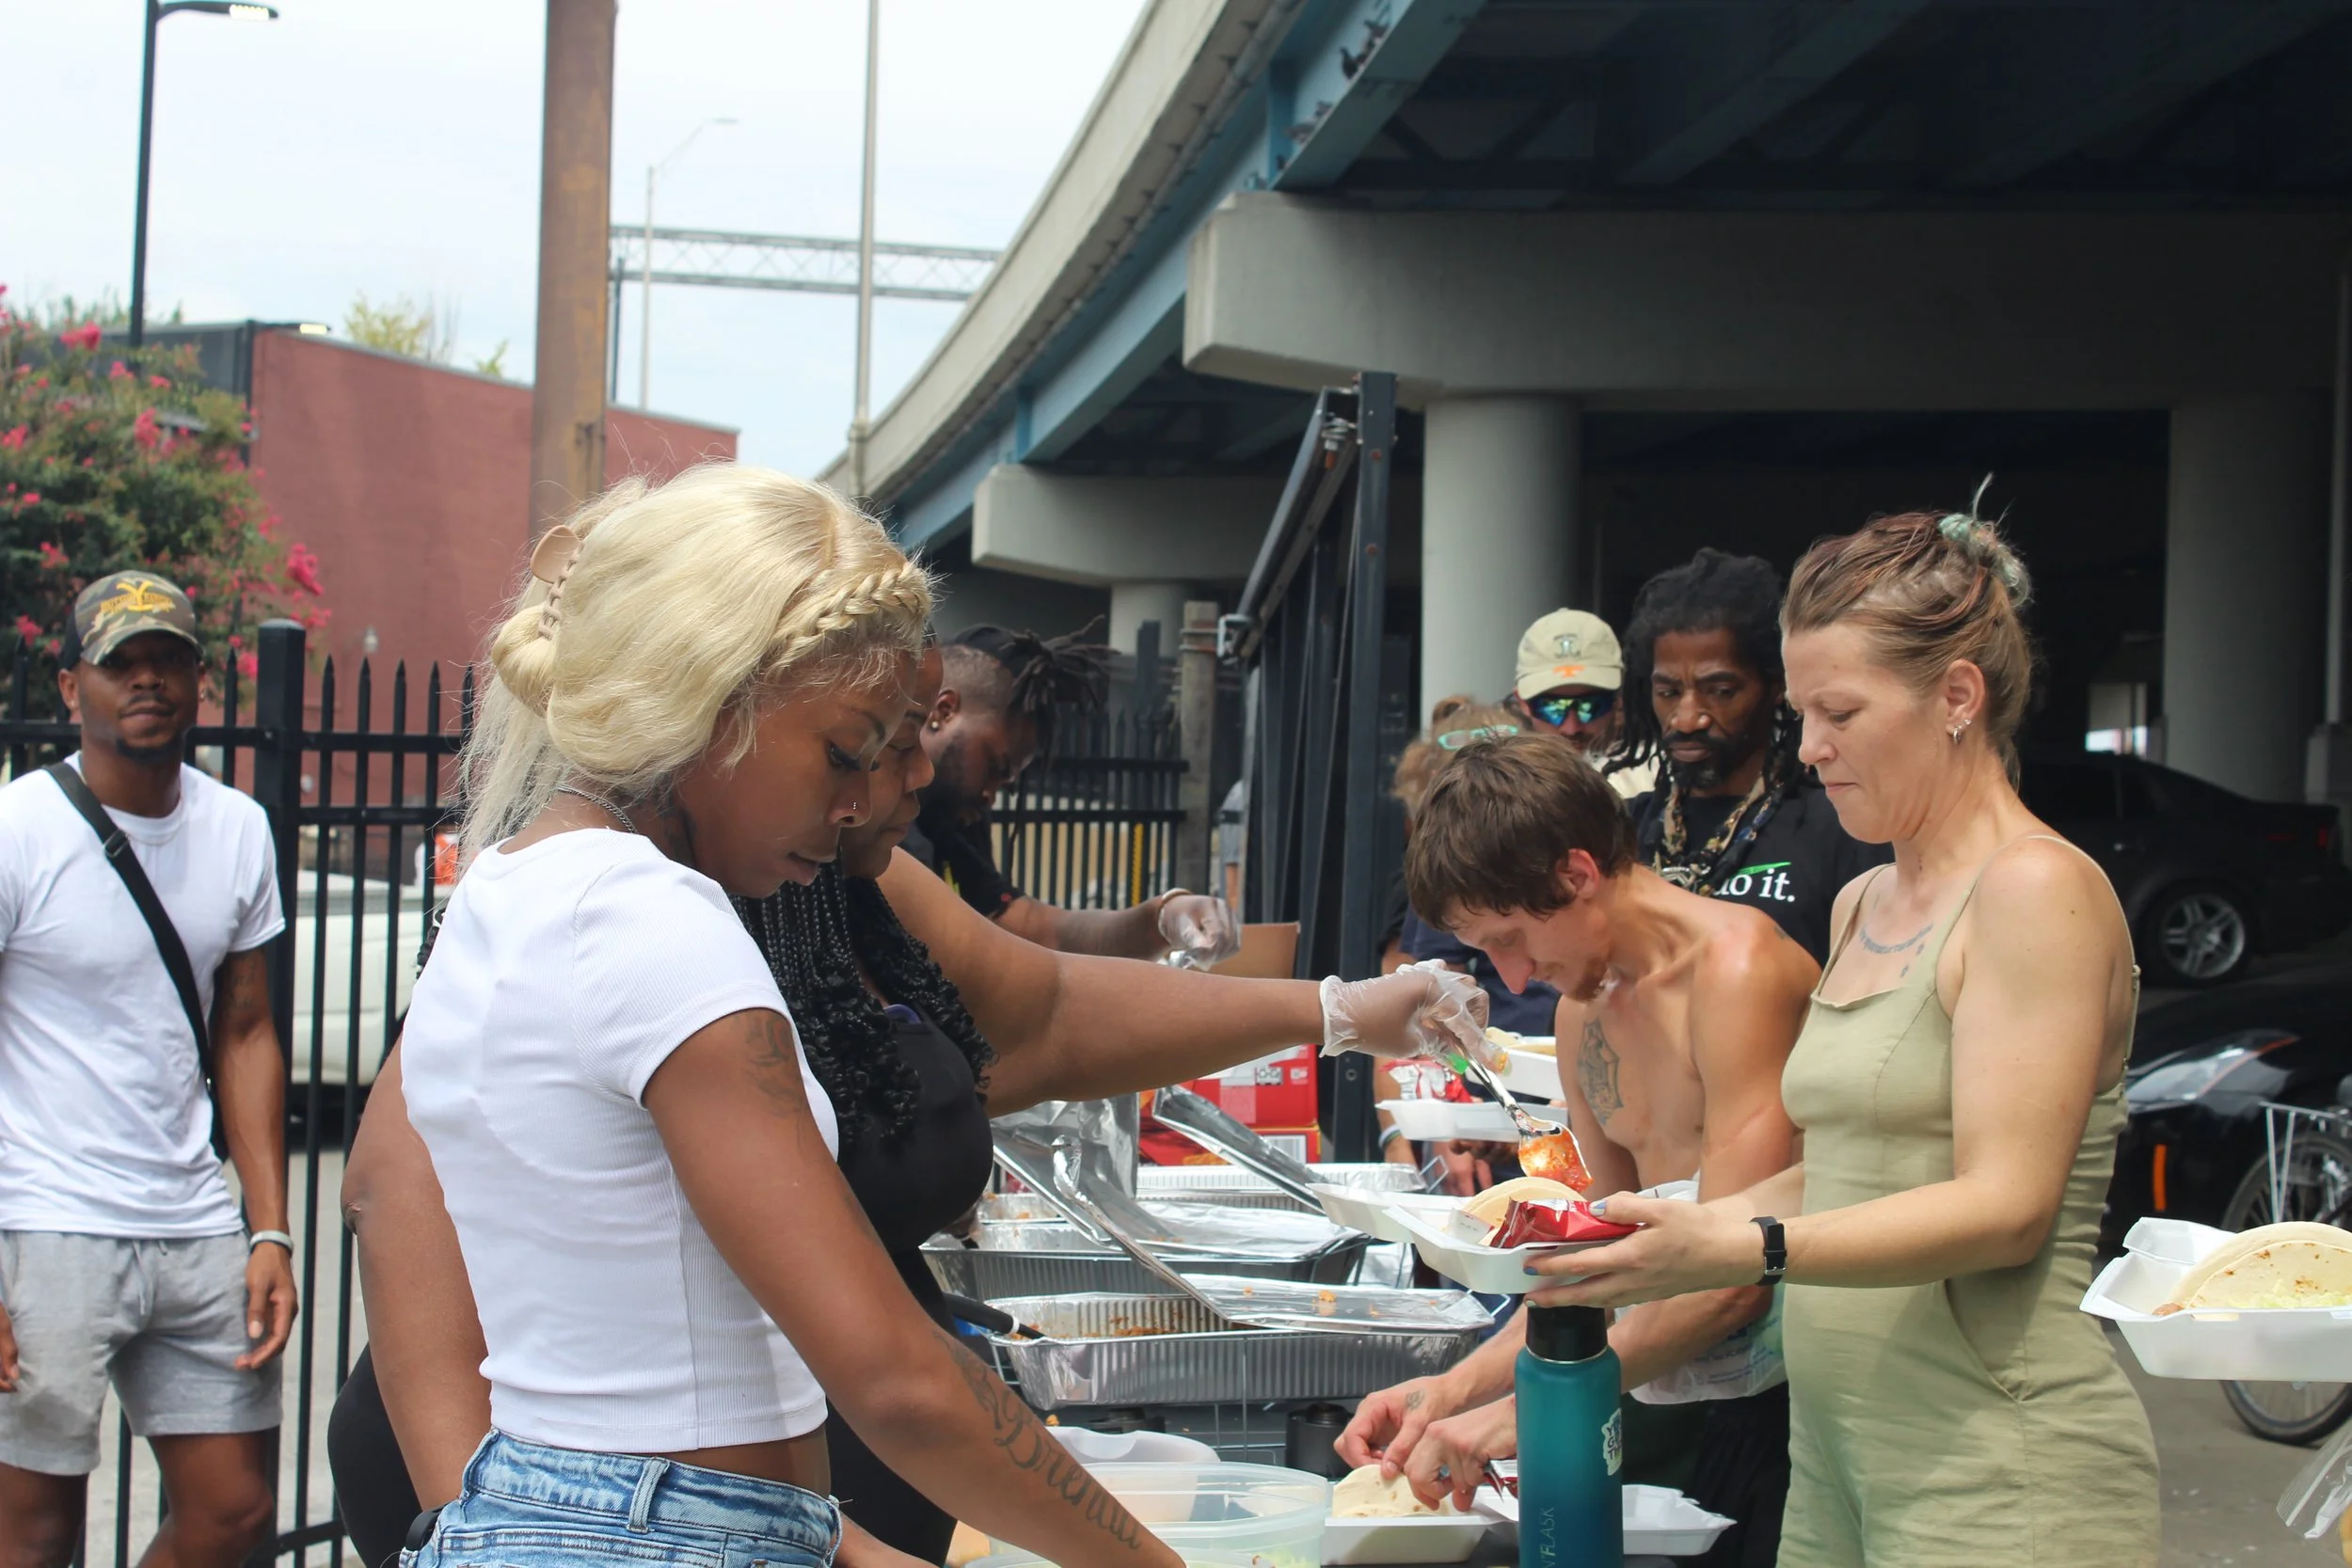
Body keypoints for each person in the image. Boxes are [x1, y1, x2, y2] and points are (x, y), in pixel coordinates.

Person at [334, 610, 1492, 1564]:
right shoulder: (629, 912)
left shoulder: (815, 880)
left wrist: (1338, 1011)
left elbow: (1042, 1011)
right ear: (741, 711)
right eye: (874, 739)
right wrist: (470, 1513)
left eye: (915, 729)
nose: (916, 771)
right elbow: (397, 1189)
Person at [1533, 507, 2161, 1565]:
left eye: (1838, 711)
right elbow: (1844, 1172)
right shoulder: (1862, 897)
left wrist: (1738, 1241)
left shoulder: (2033, 888)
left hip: (1997, 1462)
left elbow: (2006, 1206)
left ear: (1957, 696)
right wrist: (1676, 1229)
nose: (1809, 746)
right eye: (1803, 710)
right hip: (1836, 1448)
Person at [1338, 733, 1814, 1567]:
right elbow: (1596, 1267)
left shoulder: (1739, 969)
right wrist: (1447, 1390)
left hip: (1798, 1414)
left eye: (1515, 939)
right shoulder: (1580, 1015)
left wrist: (1526, 1410)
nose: (1514, 979)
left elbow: (1734, 1277)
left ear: (1578, 872)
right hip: (1663, 1396)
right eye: (1487, 951)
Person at [0, 573, 297, 1568]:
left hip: (194, 1224)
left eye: (167, 657)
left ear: (200, 679)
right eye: (119, 659)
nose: (146, 680)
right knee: (32, 1533)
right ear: (72, 678)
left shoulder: (237, 828)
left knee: (237, 1512)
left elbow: (248, 1030)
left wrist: (269, 1226)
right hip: (43, 1225)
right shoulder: (20, 828)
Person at [1613, 550, 1887, 963]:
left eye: (1720, 691)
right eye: (1668, 692)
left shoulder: (1842, 827)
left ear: (1777, 687)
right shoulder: (1617, 830)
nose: (1686, 719)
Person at [909, 624, 1238, 963]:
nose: (991, 795)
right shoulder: (870, 819)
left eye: (1005, 781)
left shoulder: (947, 818)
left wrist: (1162, 917)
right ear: (943, 710)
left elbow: (1033, 926)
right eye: (995, 765)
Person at [1504, 609, 1655, 799]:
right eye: (1553, 708)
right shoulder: (1499, 792)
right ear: (1523, 703)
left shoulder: (1657, 780)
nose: (1571, 728)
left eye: (1590, 706)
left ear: (1618, 699)